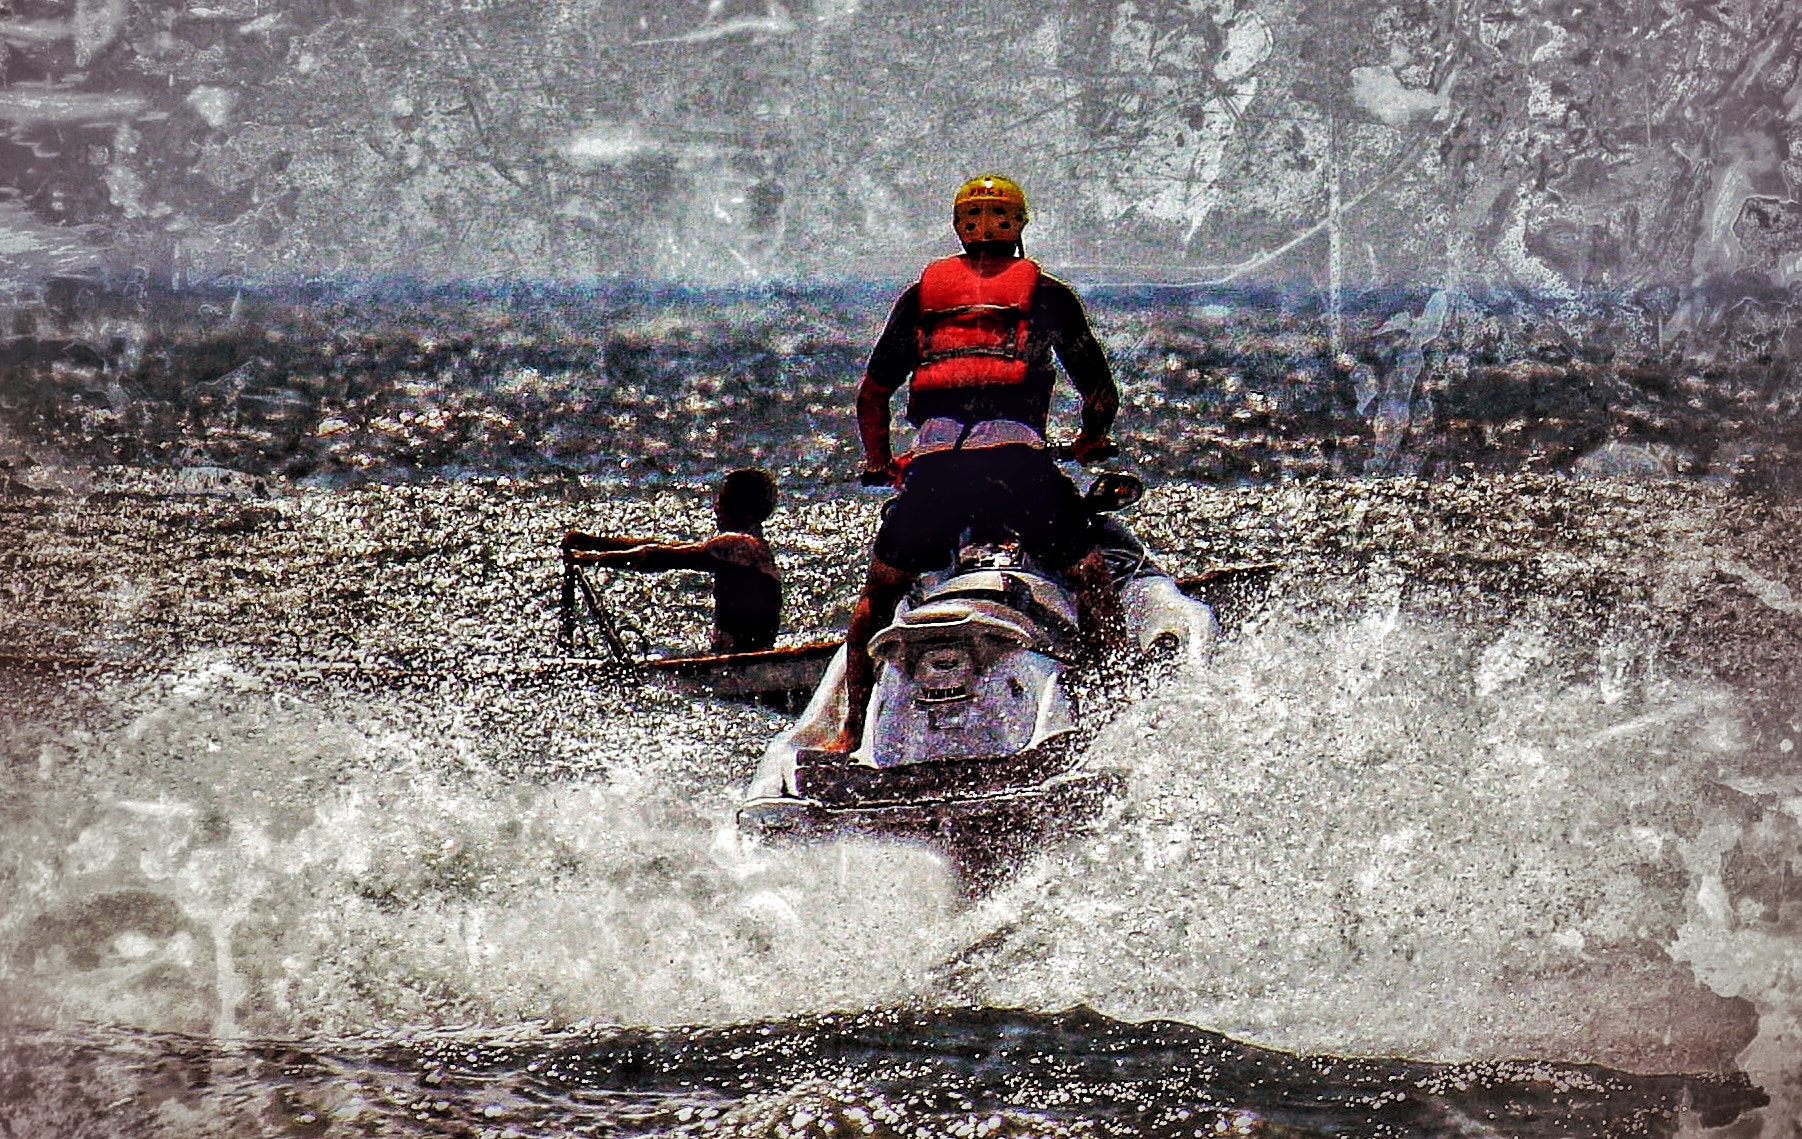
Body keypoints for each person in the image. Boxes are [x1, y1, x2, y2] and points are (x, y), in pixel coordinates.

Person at [826, 173, 1126, 753]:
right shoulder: (1048, 295)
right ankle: (1115, 699)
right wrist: (1091, 440)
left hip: (937, 468)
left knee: (879, 596)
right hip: (1017, 465)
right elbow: (1098, 391)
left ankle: (851, 729)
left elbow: (872, 394)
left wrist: (879, 461)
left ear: (959, 226)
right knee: (1090, 577)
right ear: (1020, 224)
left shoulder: (922, 298)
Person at [562, 467, 782, 654]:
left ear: (749, 512)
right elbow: (662, 547)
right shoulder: (750, 548)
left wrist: (588, 559)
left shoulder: (739, 544)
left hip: (740, 659)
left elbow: (656, 556)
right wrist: (594, 542)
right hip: (731, 655)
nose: (716, 509)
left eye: (725, 502)